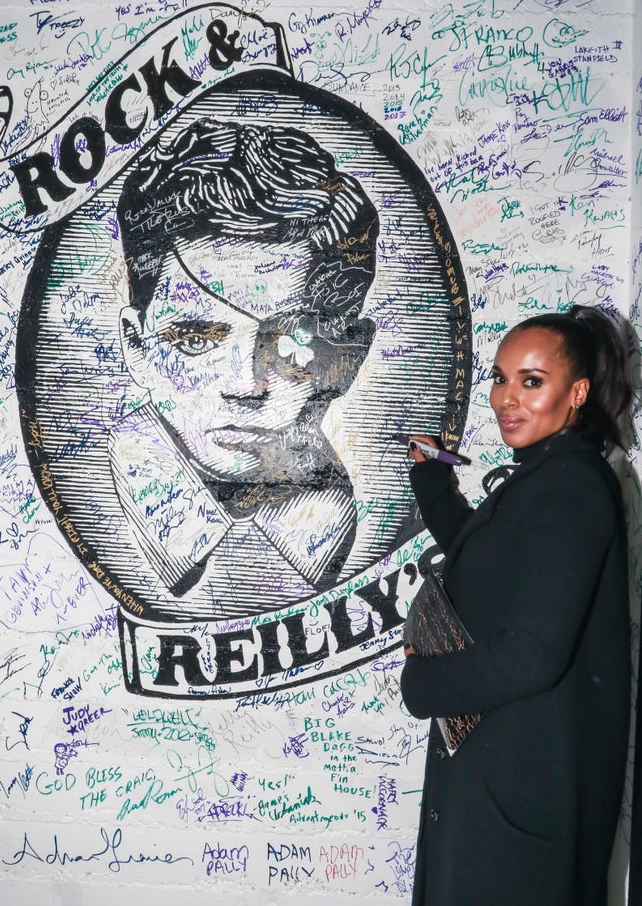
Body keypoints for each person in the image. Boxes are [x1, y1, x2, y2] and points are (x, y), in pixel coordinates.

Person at [400, 305, 632, 906]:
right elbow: (490, 562)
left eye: (532, 381)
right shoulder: (548, 476)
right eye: (501, 378)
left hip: (522, 801)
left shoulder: (569, 487)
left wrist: (423, 685)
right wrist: (429, 480)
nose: (508, 397)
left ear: (577, 392)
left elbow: (531, 656)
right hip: (508, 785)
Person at [110, 117, 378, 613]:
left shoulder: (334, 520)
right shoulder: (105, 511)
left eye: (290, 342)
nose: (244, 386)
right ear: (136, 347)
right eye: (194, 339)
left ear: (350, 356)